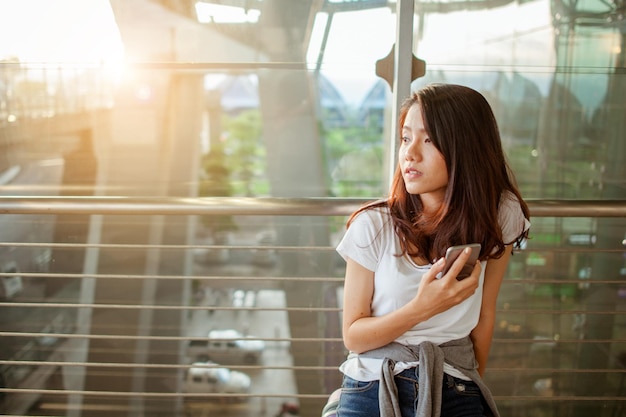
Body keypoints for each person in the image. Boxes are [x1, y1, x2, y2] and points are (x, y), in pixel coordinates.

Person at [335, 83, 530, 417]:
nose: (410, 153)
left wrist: (471, 387)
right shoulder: (373, 225)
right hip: (374, 385)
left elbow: (485, 315)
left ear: (464, 146)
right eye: (406, 138)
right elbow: (354, 337)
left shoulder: (500, 214)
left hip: (455, 383)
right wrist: (421, 308)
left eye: (427, 139)